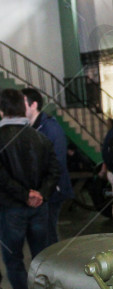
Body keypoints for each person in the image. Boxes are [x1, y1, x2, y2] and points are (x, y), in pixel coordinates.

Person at [0, 89, 60, 289]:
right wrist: (40, 194)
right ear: (22, 108)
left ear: (1, 111)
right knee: (41, 258)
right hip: (39, 209)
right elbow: (54, 171)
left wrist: (25, 195)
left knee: (14, 261)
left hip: (10, 210)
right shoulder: (40, 138)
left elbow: (2, 178)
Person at [21, 88, 74, 246]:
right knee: (40, 235)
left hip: (51, 191)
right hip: (39, 191)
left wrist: (42, 191)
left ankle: (52, 268)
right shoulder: (29, 128)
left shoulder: (50, 128)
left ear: (34, 105)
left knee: (47, 236)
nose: (18, 107)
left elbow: (56, 164)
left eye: (22, 103)